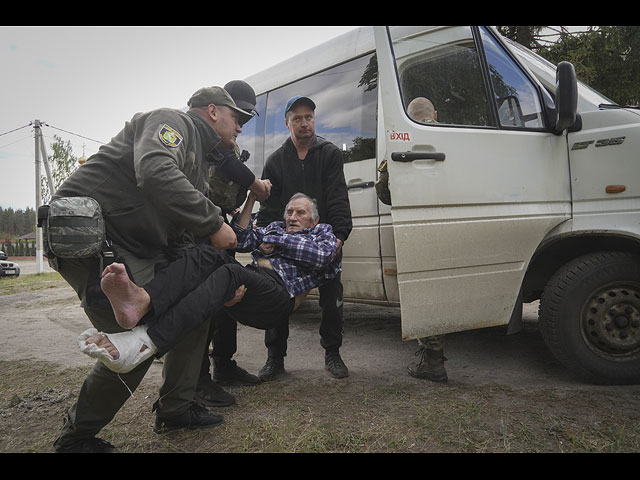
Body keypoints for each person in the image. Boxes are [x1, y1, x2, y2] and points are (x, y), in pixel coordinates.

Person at [49, 86, 253, 452]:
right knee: (134, 340)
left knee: (196, 305)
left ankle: (176, 407)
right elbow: (155, 171)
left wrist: (211, 283)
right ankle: (76, 438)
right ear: (212, 111)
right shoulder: (171, 121)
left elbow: (181, 235)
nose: (240, 127)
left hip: (135, 246)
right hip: (93, 238)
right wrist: (213, 223)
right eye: (236, 117)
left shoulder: (198, 160)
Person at [80, 192, 341, 377]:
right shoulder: (276, 227)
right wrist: (251, 198)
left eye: (300, 213)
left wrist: (278, 240)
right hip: (252, 283)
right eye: (290, 212)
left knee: (230, 273)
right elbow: (238, 238)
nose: (293, 217)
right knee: (212, 255)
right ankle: (144, 301)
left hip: (278, 297)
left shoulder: (323, 233)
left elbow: (322, 256)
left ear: (313, 220)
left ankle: (146, 341)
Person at [256, 96, 352, 380]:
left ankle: (333, 353)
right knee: (277, 295)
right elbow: (269, 209)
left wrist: (339, 238)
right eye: (297, 118)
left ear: (314, 120)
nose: (304, 123)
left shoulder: (330, 154)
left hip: (323, 239)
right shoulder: (276, 161)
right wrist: (265, 241)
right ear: (287, 123)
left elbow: (338, 198)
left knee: (332, 295)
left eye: (308, 117)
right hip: (288, 243)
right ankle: (275, 358)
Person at [376, 96, 448, 383]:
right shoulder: (453, 138)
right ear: (435, 113)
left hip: (416, 229)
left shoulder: (398, 147)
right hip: (454, 223)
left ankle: (433, 363)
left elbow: (384, 194)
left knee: (425, 294)